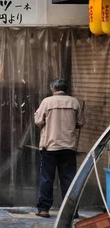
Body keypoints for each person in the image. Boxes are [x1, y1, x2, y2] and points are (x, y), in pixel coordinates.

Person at [34, 78, 85, 219]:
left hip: (50, 146)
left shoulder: (47, 102)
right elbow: (80, 122)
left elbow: (38, 121)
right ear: (65, 88)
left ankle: (44, 209)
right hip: (69, 146)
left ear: (53, 89)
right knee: (69, 179)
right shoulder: (74, 102)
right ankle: (71, 210)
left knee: (47, 178)